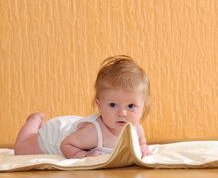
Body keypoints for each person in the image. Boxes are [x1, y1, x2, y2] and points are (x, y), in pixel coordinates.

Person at [14, 55, 151, 158]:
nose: (122, 113)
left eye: (131, 106)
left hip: (77, 131)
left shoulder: (135, 127)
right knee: (21, 150)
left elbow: (140, 140)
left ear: (143, 106)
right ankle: (34, 120)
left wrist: (143, 147)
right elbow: (65, 145)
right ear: (99, 105)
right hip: (56, 136)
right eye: (113, 105)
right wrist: (83, 156)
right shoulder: (94, 133)